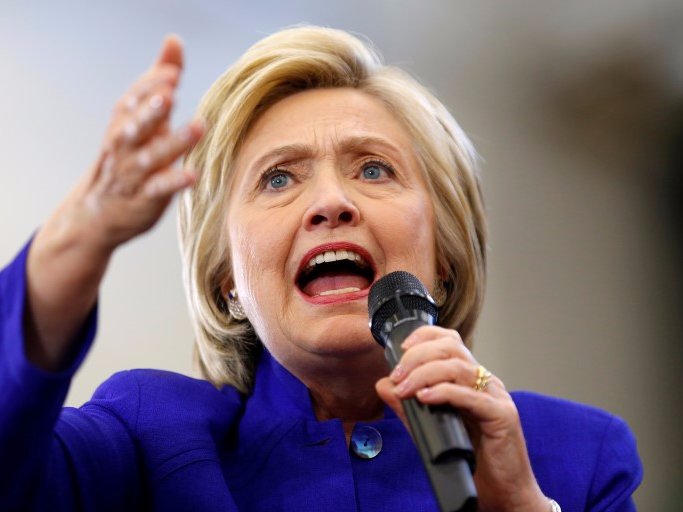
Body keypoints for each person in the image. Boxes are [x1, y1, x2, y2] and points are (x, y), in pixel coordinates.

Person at [0, 27, 641, 511]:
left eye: (372, 169)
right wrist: (74, 242)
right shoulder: (148, 438)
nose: (331, 203)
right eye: (279, 178)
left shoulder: (579, 457)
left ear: (445, 259)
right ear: (227, 283)